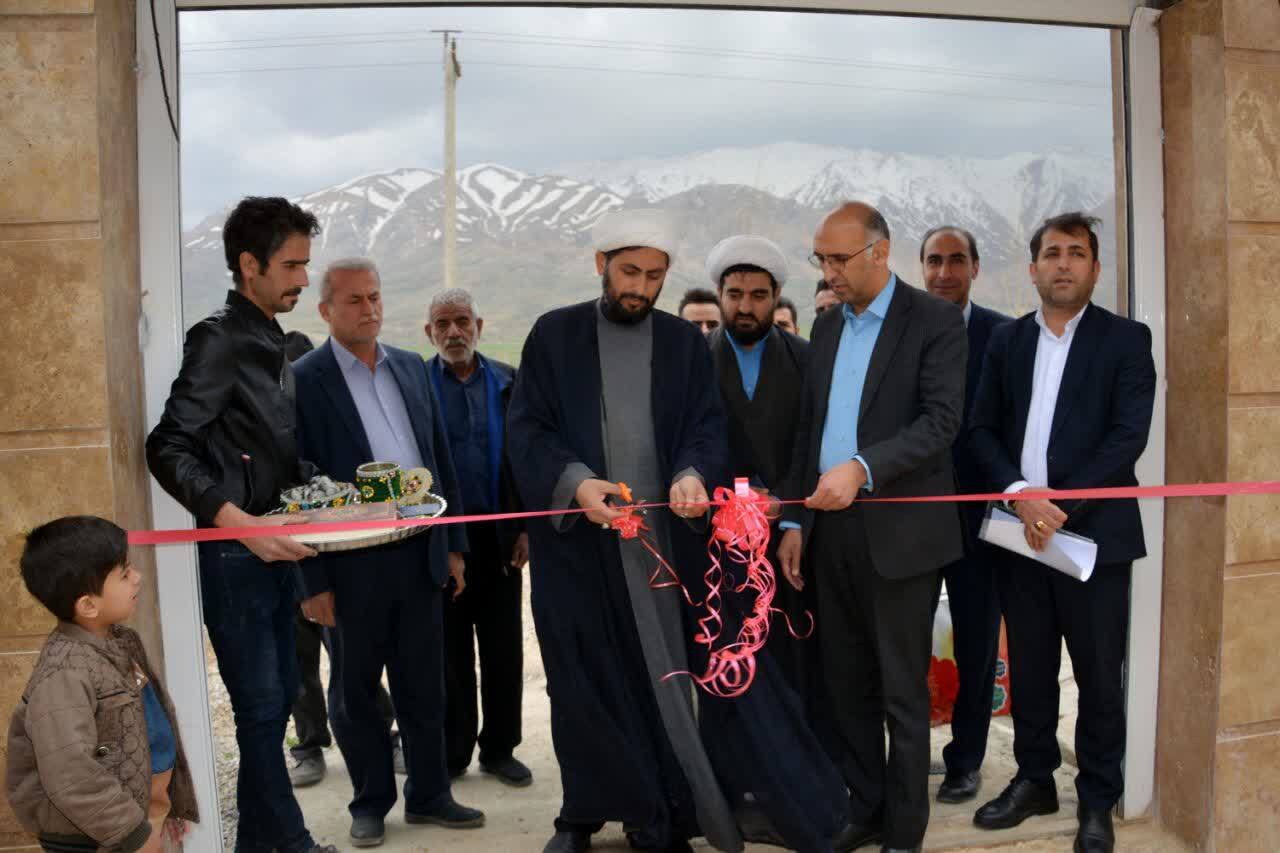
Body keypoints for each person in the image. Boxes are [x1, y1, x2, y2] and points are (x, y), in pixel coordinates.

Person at [507, 209, 848, 853]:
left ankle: (656, 815)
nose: (640, 287)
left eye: (653, 276)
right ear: (601, 264)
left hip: (661, 548)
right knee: (582, 681)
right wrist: (577, 483)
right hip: (578, 548)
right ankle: (580, 817)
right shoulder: (553, 335)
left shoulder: (681, 343)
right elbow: (527, 428)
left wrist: (692, 473)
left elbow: (706, 428)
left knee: (659, 679)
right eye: (628, 272)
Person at [145, 196, 335, 853]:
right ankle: (293, 843)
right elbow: (167, 446)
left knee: (275, 702)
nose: (304, 279)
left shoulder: (270, 338)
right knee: (260, 709)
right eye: (291, 266)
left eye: (306, 264)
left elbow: (265, 451)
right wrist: (237, 523)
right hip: (236, 558)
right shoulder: (219, 338)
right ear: (249, 265)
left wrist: (332, 493)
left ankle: (259, 842)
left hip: (274, 552)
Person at [778, 201, 967, 853]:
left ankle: (905, 832)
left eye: (839, 259)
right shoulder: (828, 325)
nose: (828, 272)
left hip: (901, 538)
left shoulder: (935, 321)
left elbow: (941, 421)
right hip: (829, 531)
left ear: (880, 253)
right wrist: (795, 518)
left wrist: (862, 468)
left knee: (900, 694)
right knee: (847, 684)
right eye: (821, 259)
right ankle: (866, 808)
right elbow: (809, 429)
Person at [968, 213, 1155, 853]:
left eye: (1077, 253)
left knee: (1099, 677)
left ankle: (1097, 800)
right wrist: (1021, 496)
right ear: (1033, 269)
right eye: (1052, 253)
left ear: (1095, 269)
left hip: (1093, 540)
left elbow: (1127, 436)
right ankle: (1035, 780)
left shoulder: (1126, 340)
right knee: (1031, 670)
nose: (1063, 263)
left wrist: (1059, 507)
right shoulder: (1007, 341)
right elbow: (981, 430)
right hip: (1021, 538)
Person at [292, 258, 483, 847]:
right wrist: (312, 581)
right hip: (351, 567)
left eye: (374, 297)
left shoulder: (409, 366)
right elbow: (295, 487)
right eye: (354, 300)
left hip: (420, 555)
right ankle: (371, 802)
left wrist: (454, 546)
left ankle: (430, 795)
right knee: (356, 695)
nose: (369, 309)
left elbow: (438, 457)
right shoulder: (303, 380)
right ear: (325, 310)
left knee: (425, 685)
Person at [6, 516, 199, 853]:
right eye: (124, 574)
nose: (137, 577)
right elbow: (70, 774)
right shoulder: (63, 675)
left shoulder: (122, 641)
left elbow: (152, 730)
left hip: (135, 819)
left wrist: (165, 805)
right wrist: (133, 834)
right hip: (95, 837)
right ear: (88, 605)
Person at [283, 330, 403, 788]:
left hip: (331, 560)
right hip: (283, 563)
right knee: (299, 662)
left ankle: (384, 734)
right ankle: (309, 746)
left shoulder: (322, 416)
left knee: (351, 660)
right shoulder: (266, 420)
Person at [918, 226, 1012, 804]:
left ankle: (966, 761)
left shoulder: (1004, 335)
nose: (944, 272)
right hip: (913, 522)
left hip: (982, 524)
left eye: (956, 260)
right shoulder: (903, 334)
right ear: (921, 267)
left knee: (977, 647)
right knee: (907, 647)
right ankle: (907, 759)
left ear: (975, 267)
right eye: (934, 261)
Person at [424, 288, 532, 787]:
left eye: (462, 321)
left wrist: (526, 527)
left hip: (500, 539)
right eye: (442, 324)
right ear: (429, 332)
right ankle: (453, 753)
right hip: (444, 540)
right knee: (449, 655)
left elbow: (525, 459)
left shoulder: (509, 382)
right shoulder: (418, 386)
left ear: (479, 326)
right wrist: (443, 543)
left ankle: (500, 749)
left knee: (503, 648)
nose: (454, 333)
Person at [702, 235, 811, 686]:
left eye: (758, 295)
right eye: (735, 294)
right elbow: (690, 440)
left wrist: (787, 509)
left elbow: (811, 443)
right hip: (715, 537)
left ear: (777, 296)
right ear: (720, 295)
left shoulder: (806, 359)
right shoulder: (693, 359)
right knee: (725, 656)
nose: (745, 307)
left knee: (792, 656)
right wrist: (734, 499)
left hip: (790, 536)